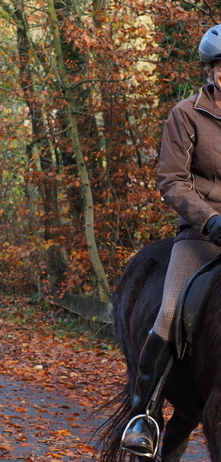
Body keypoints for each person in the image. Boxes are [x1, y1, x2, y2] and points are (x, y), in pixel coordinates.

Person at [120, 24, 221, 457]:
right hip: (202, 233)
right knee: (169, 311)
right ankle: (143, 416)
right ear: (210, 70)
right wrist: (209, 219)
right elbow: (173, 180)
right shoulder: (186, 114)